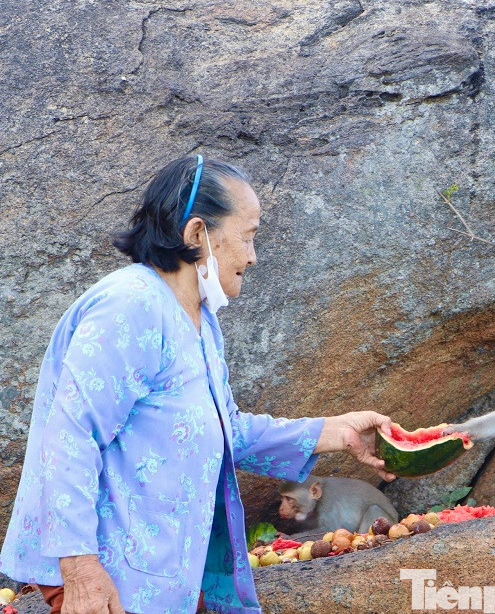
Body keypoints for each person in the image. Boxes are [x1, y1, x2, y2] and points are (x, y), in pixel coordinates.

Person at [0, 155, 396, 613]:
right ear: (195, 234)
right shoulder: (130, 305)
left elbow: (227, 429)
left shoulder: (202, 321)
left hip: (163, 575)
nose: (253, 255)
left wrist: (340, 432)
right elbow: (70, 436)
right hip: (111, 578)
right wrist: (81, 568)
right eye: (247, 237)